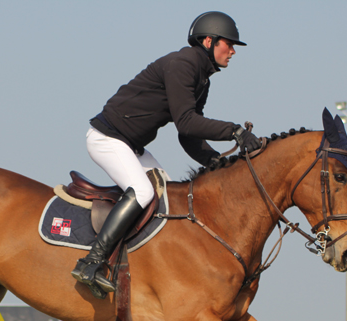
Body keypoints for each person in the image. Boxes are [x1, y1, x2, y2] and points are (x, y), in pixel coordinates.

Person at [71, 11, 261, 298]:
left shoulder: (202, 79)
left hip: (131, 146)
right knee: (143, 193)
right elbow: (186, 122)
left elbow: (187, 134)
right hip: (106, 139)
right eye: (228, 43)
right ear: (208, 41)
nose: (232, 50)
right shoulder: (183, 64)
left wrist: (214, 162)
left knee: (169, 200)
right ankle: (91, 263)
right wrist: (235, 131)